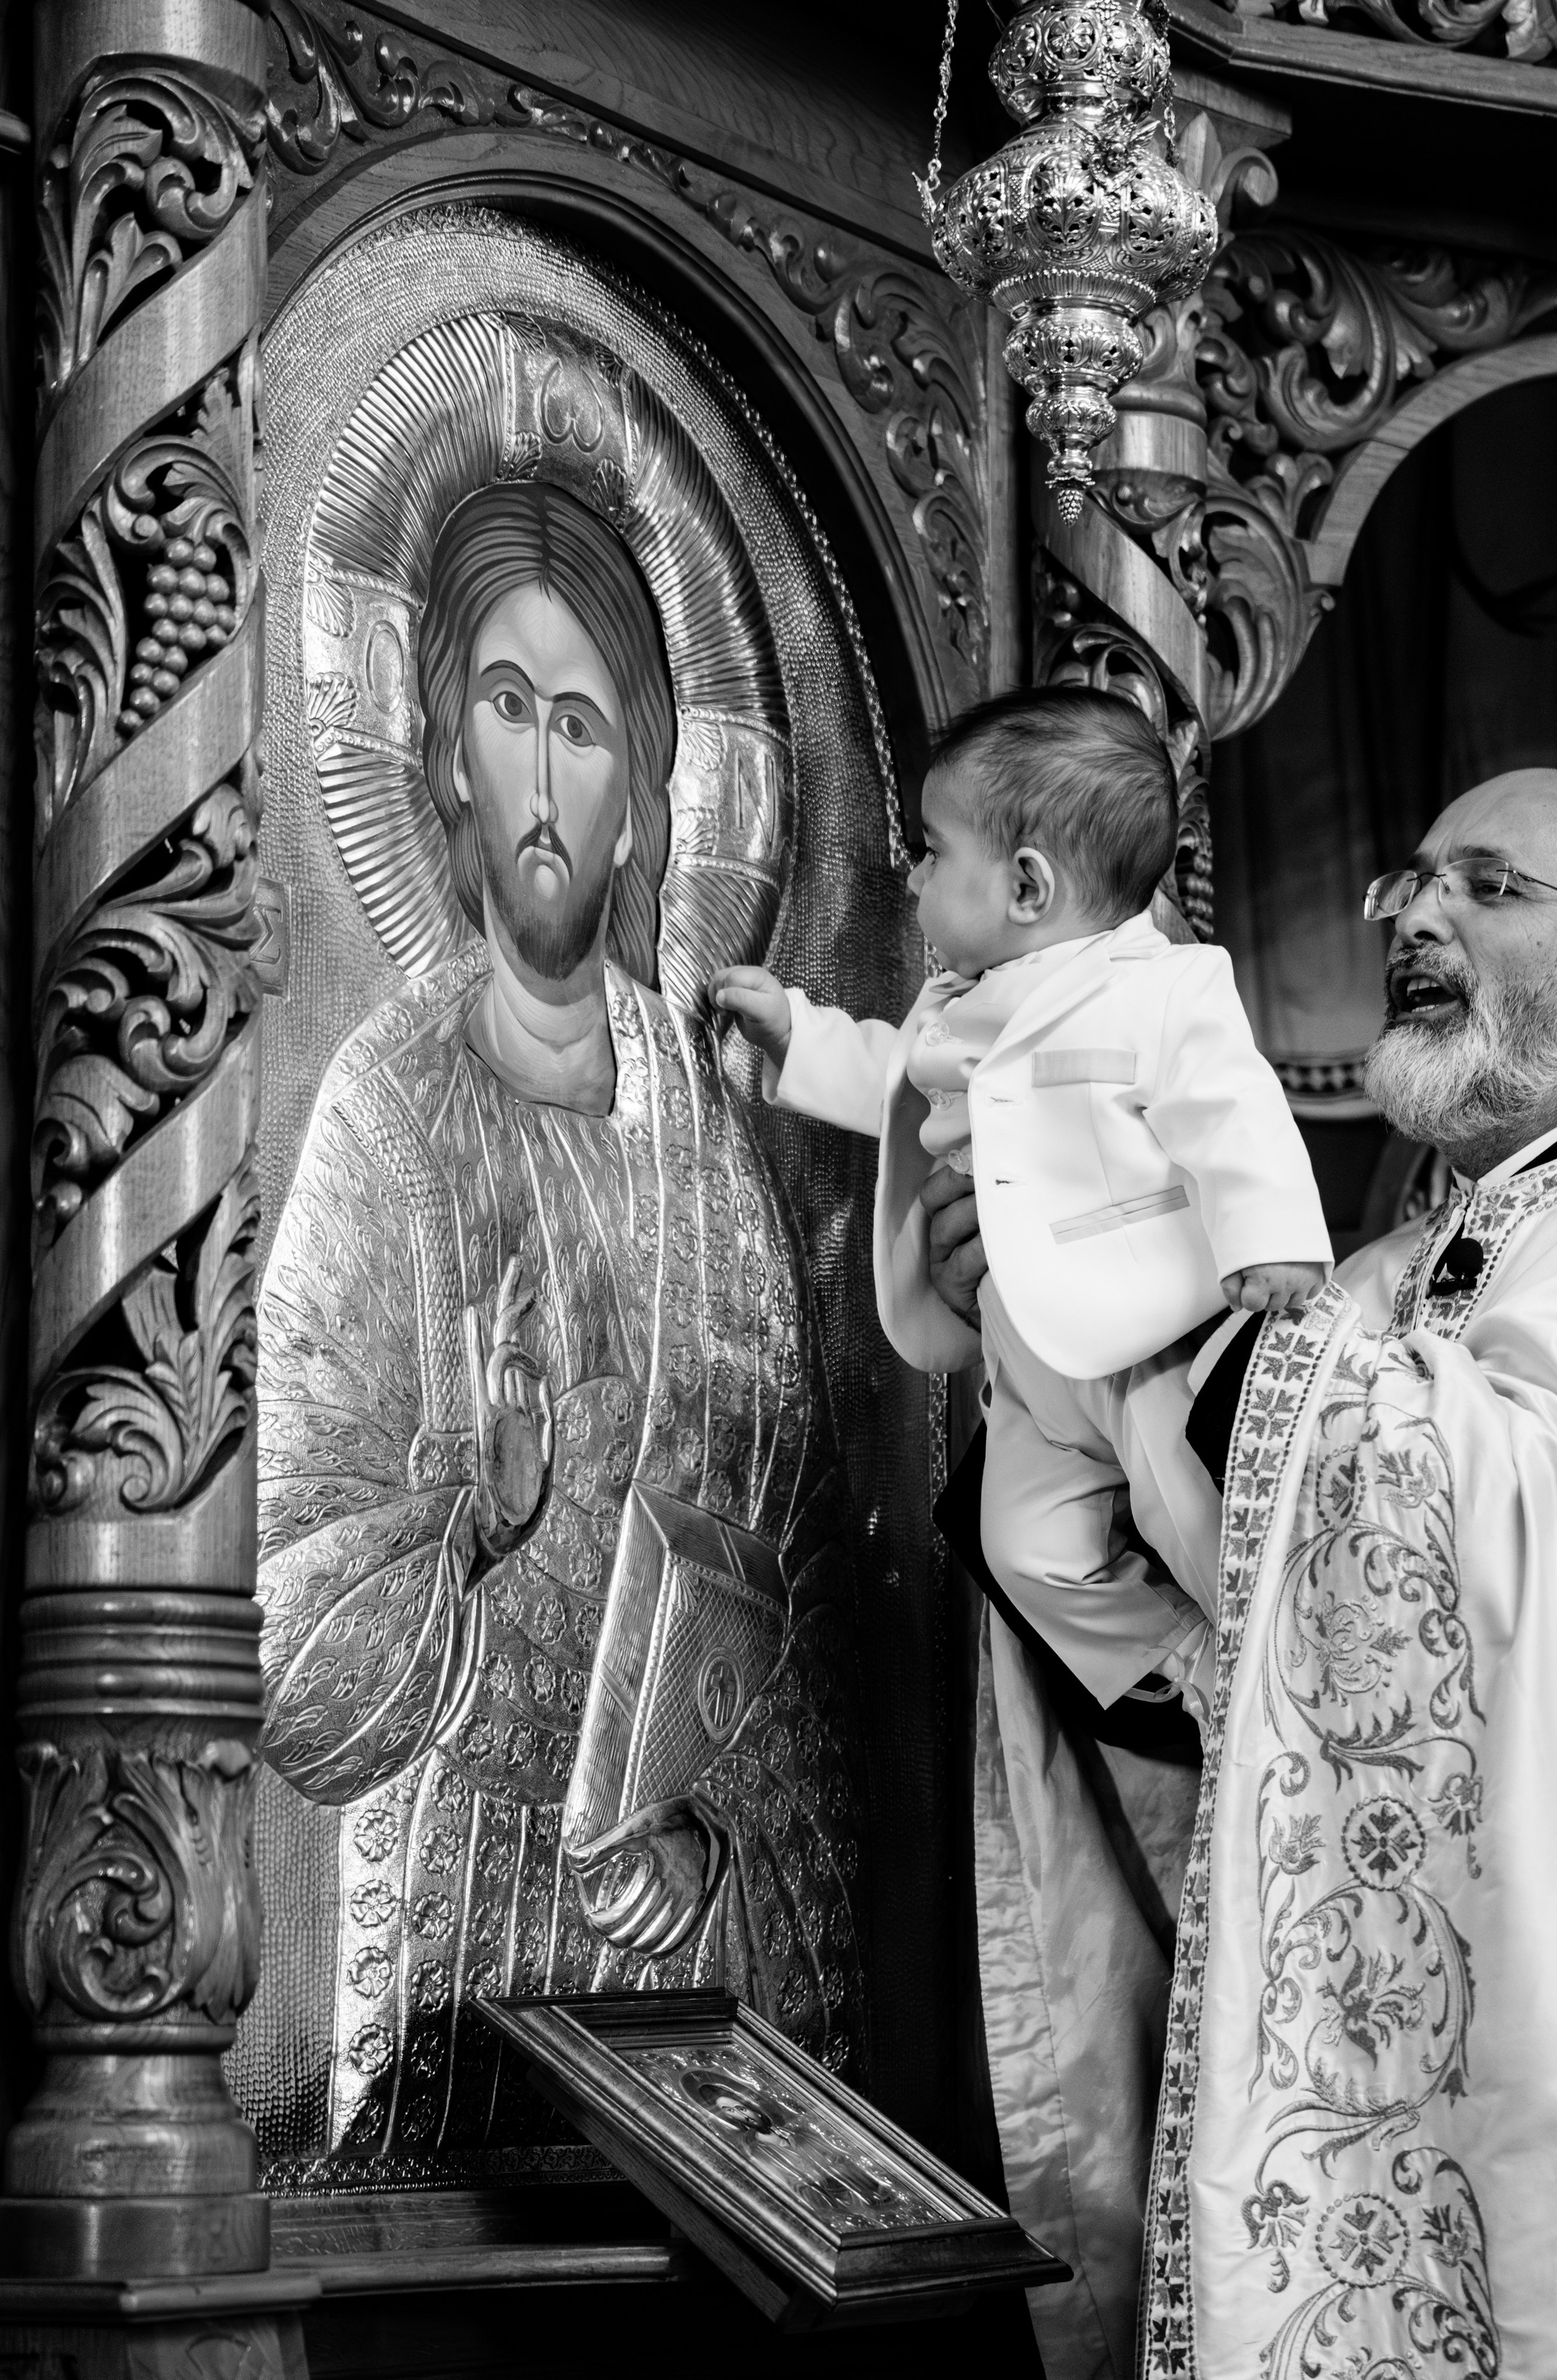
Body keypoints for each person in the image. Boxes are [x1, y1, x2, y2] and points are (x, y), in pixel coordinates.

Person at [1122, 768, 1557, 2378]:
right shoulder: (1373, 1275)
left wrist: (1230, 1340)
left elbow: (1536, 1549)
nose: (1419, 917)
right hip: (1398, 2023)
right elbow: (1244, 1582)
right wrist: (1086, 1333)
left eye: (1490, 886)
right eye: (1414, 881)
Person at [256, 481, 863, 2162]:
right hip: (457, 1908)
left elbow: (797, 1570)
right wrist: (470, 1518)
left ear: (640, 790)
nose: (539, 777)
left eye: (582, 728)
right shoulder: (386, 1102)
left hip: (687, 1929)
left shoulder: (701, 1131)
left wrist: (695, 1819)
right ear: (445, 749)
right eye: (506, 707)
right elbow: (285, 1621)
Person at [712, 686, 1331, 1723]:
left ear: (1028, 885)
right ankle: (1198, 1671)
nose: (912, 875)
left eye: (932, 851)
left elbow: (1230, 1106)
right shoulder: (958, 1006)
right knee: (1023, 1546)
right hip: (1021, 1357)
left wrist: (1269, 1239)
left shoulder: (1160, 989)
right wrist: (798, 1037)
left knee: (1199, 1517)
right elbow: (898, 1085)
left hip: (1142, 1343)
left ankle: (1293, 1666)